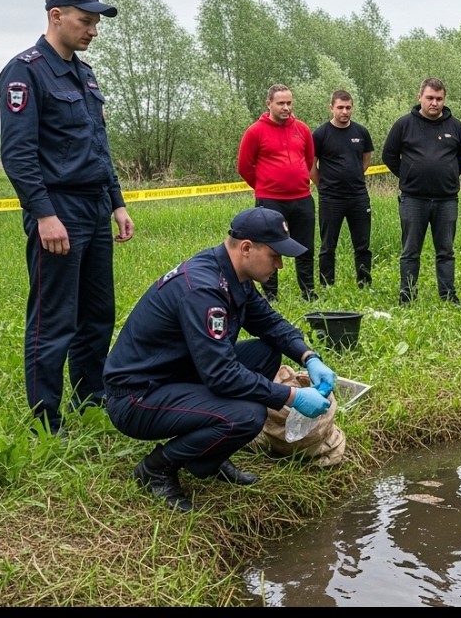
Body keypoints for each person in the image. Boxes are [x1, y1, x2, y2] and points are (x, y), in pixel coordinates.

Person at [103, 207, 339, 512]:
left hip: (177, 374)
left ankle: (207, 458)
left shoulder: (232, 273)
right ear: (246, 248)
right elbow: (222, 375)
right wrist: (292, 396)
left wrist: (309, 356)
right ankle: (155, 470)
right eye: (275, 255)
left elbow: (269, 323)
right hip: (137, 396)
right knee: (247, 415)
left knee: (266, 352)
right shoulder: (203, 289)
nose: (280, 265)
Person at [0, 0, 135, 437]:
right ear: (56, 16)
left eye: (96, 22)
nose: (93, 29)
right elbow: (18, 154)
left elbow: (99, 147)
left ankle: (89, 398)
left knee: (98, 312)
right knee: (54, 317)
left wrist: (117, 204)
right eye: (86, 19)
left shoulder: (86, 75)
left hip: (96, 208)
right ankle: (45, 418)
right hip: (58, 211)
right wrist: (43, 214)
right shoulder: (25, 72)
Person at [380, 77, 461, 304]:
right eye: (430, 98)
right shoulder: (404, 124)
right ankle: (407, 296)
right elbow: (389, 156)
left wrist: (446, 174)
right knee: (410, 252)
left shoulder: (456, 126)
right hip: (413, 199)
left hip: (446, 200)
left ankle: (448, 296)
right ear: (420, 96)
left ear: (444, 100)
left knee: (446, 251)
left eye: (439, 99)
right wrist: (409, 175)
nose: (434, 103)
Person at [237, 84, 317, 301]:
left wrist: (298, 179)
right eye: (281, 103)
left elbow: (309, 159)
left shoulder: (302, 129)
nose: (286, 107)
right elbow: (244, 166)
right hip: (270, 200)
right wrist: (264, 186)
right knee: (267, 247)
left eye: (289, 103)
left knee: (305, 247)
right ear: (269, 104)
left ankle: (308, 291)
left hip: (301, 198)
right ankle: (271, 295)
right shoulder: (255, 132)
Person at [312, 89, 375, 289]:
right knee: (328, 245)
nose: (344, 112)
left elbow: (366, 160)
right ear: (331, 108)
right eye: (340, 107)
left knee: (362, 245)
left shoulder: (361, 132)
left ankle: (364, 283)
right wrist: (323, 186)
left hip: (358, 196)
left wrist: (354, 175)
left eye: (348, 107)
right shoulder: (321, 134)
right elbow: (311, 166)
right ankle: (326, 285)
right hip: (331, 198)